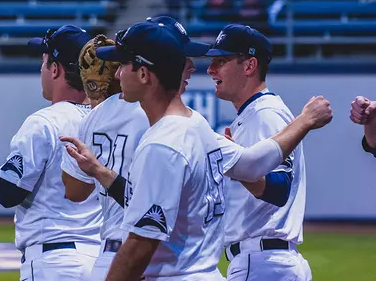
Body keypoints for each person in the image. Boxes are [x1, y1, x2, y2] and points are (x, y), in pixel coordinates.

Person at [62, 16, 333, 280]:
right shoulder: (198, 126)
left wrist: (305, 121)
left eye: (124, 65)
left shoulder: (162, 142)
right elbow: (252, 164)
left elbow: (140, 244)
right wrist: (100, 172)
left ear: (144, 73)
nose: (118, 74)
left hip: (178, 272)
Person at [0, 25, 102, 281]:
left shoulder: (45, 122)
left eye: (44, 62)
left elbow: (8, 191)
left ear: (56, 69)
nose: (42, 70)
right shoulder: (107, 120)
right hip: (100, 261)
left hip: (55, 261)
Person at [205, 23, 312, 280]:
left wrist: (236, 163)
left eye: (221, 61)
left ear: (250, 66)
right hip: (266, 261)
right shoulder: (253, 114)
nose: (210, 69)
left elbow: (278, 188)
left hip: (264, 262)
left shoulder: (265, 113)